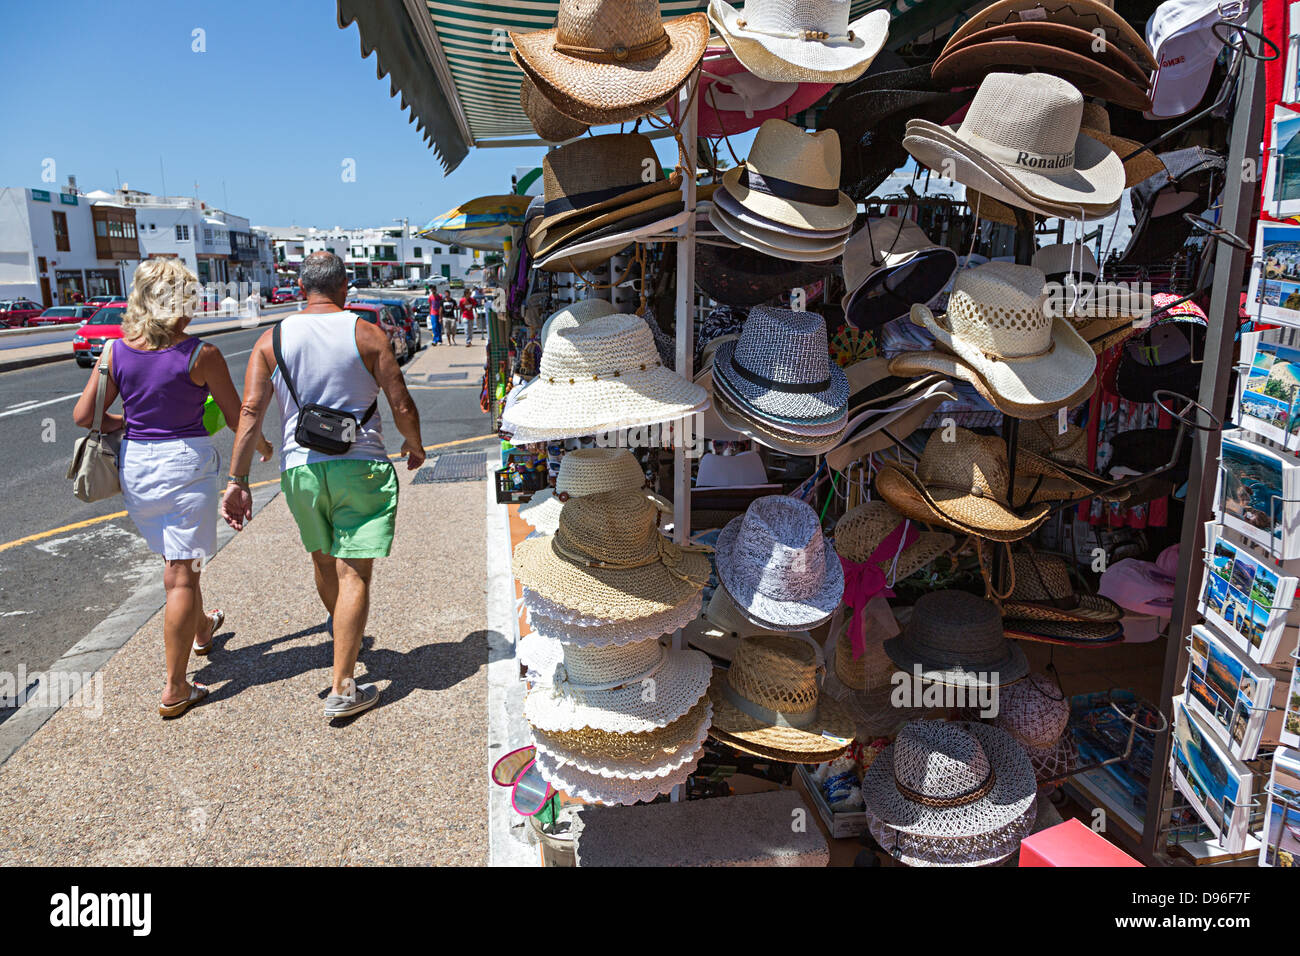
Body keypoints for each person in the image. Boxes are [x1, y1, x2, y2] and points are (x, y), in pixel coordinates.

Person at [221, 251, 426, 720]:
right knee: (355, 573)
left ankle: (345, 645)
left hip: (301, 470)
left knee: (324, 561)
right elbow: (401, 402)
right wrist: (414, 445)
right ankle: (343, 686)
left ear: (299, 289)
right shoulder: (367, 333)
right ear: (345, 287)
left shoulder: (271, 339)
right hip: (361, 465)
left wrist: (238, 480)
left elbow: (250, 413)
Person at [72, 257, 273, 718]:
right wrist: (259, 445)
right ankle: (175, 687)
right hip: (185, 465)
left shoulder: (115, 352)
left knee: (176, 559)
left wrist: (130, 421)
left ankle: (202, 628)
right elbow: (239, 413)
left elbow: (86, 417)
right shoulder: (201, 354)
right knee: (181, 573)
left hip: (138, 464)